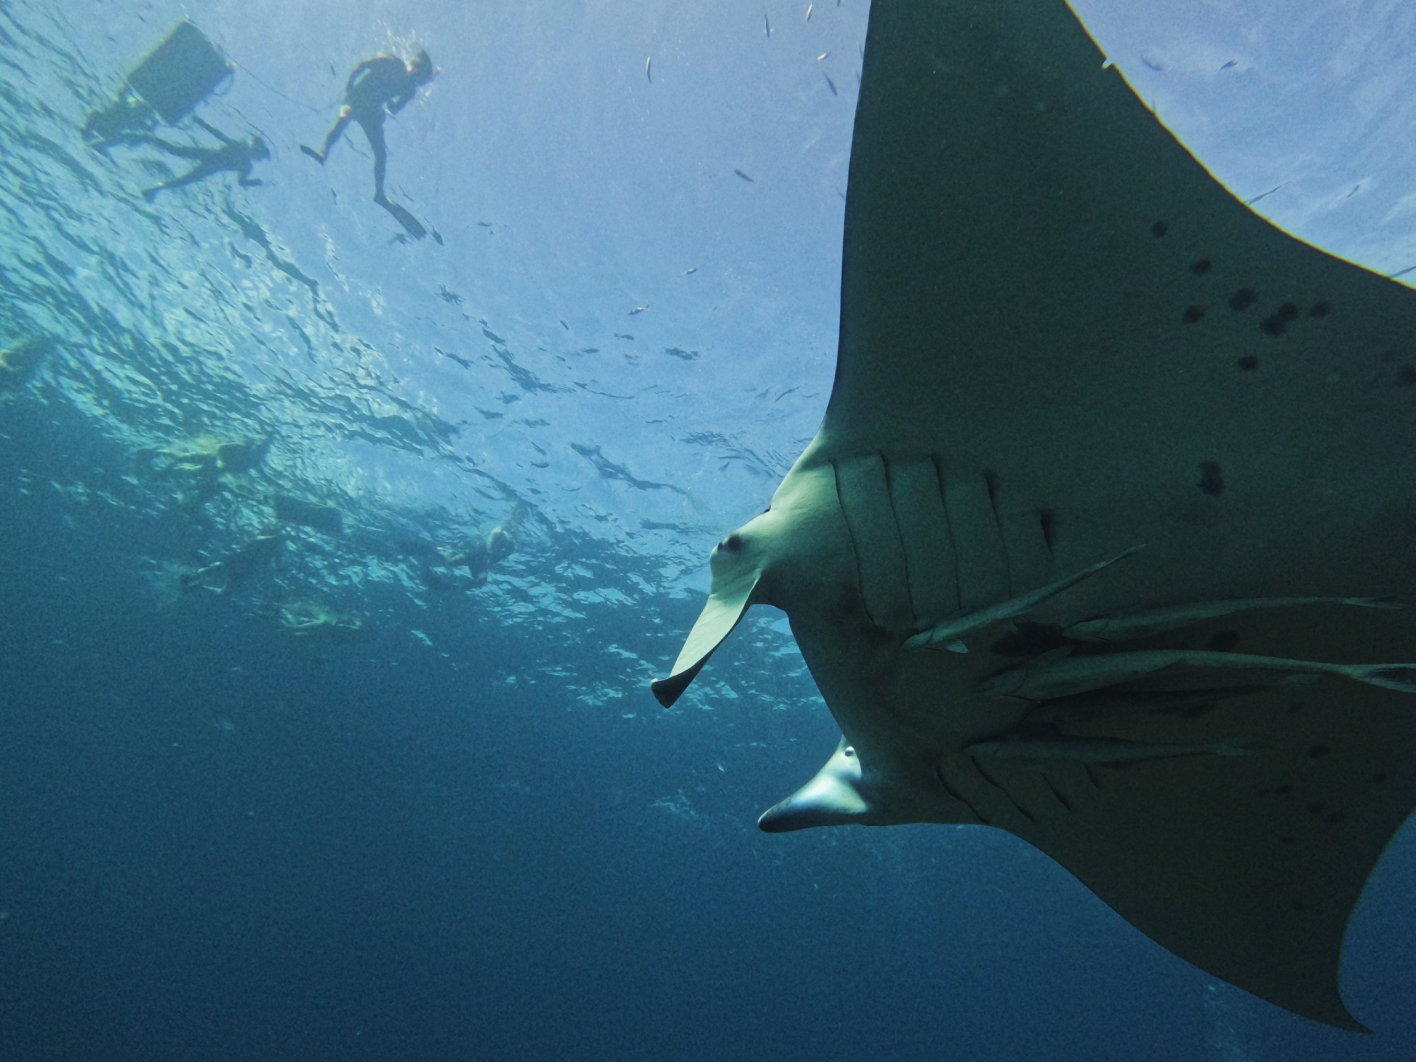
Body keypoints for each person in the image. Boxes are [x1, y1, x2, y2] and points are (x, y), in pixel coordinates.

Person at [301, 50, 436, 239]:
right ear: (413, 66)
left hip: (371, 112)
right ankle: (324, 153)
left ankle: (379, 194)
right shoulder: (393, 63)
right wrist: (349, 85)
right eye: (418, 75)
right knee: (344, 118)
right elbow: (363, 64)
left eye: (420, 79)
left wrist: (385, 111)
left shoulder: (410, 90)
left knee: (381, 154)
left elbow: (394, 108)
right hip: (357, 97)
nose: (416, 80)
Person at [140, 124, 270, 201]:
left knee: (183, 177)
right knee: (175, 152)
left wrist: (254, 182)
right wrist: (203, 124)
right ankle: (149, 137)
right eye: (257, 153)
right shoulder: (242, 156)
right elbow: (220, 136)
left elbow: (241, 182)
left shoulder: (246, 164)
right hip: (208, 159)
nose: (255, 156)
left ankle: (155, 189)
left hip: (209, 165)